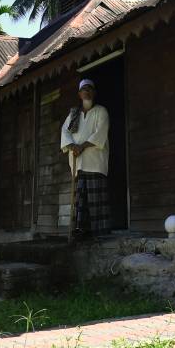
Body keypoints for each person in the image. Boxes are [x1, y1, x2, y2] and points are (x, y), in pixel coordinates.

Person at [60, 78, 110, 240]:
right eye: (83, 90)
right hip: (78, 162)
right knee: (81, 200)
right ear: (79, 94)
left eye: (89, 89)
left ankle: (99, 233)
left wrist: (82, 146)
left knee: (96, 200)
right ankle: (82, 231)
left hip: (95, 162)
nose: (86, 92)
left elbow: (100, 132)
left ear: (94, 93)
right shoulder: (73, 114)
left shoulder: (101, 111)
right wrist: (72, 146)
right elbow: (65, 132)